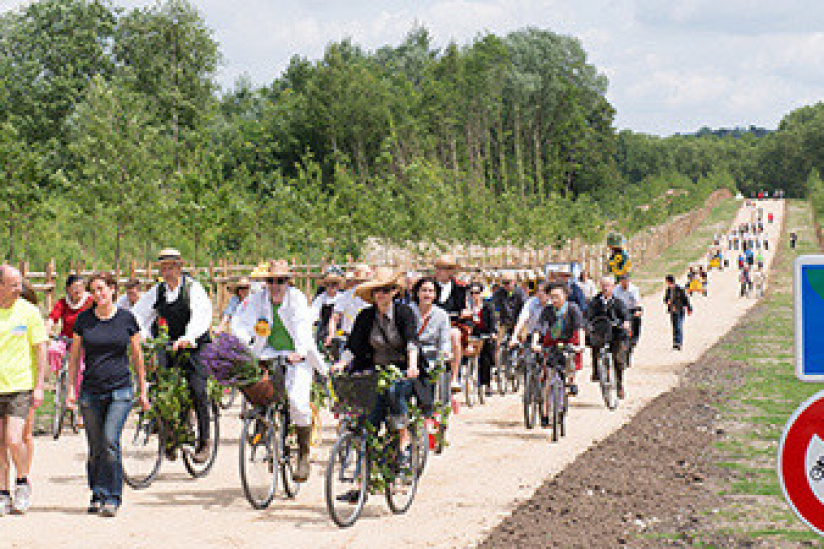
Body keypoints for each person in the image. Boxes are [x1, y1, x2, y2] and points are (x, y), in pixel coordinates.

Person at [231, 260, 326, 482]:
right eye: (271, 281)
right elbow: (240, 323)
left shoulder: (297, 299)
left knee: (297, 401)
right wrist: (245, 343)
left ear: (288, 282)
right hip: (268, 352)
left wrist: (300, 352)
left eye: (281, 281)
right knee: (256, 386)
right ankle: (263, 423)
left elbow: (303, 328)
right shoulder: (257, 299)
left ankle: (303, 453)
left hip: (296, 355)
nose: (276, 286)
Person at [67, 272, 150, 517]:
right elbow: (74, 357)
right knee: (95, 446)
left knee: (110, 441)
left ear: (113, 290)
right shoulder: (84, 320)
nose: (98, 294)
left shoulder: (127, 319)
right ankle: (97, 492)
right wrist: (72, 388)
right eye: (94, 290)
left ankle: (113, 496)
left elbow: (137, 356)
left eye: (102, 289)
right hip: (91, 390)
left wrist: (142, 389)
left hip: (120, 389)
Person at [334, 268, 424, 470]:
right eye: (376, 291)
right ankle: (361, 480)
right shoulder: (365, 316)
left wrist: (411, 366)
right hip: (373, 371)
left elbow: (412, 342)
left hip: (401, 370)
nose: (380, 295)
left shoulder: (404, 312)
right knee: (368, 424)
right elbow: (353, 346)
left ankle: (403, 437)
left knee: (394, 391)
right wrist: (341, 363)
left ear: (394, 292)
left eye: (384, 290)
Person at [131, 249, 213, 464]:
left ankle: (205, 440)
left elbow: (201, 316)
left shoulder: (193, 289)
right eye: (163, 268)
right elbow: (139, 314)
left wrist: (189, 337)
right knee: (161, 387)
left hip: (195, 344)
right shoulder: (158, 292)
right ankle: (170, 435)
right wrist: (144, 338)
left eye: (170, 267)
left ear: (179, 267)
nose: (166, 272)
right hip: (170, 344)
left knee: (197, 388)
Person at [0, 265, 48, 515]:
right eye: (13, 284)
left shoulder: (29, 312)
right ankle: (2, 492)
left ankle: (21, 482)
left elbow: (41, 350)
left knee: (13, 439)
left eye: (19, 284)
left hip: (20, 386)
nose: (19, 288)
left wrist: (39, 385)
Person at [534, 282, 585, 403]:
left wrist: (581, 345)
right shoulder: (547, 310)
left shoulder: (573, 308)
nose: (554, 300)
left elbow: (579, 328)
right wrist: (534, 343)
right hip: (552, 341)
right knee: (547, 369)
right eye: (552, 297)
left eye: (557, 296)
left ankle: (571, 380)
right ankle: (546, 411)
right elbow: (540, 327)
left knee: (570, 360)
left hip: (569, 340)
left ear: (565, 296)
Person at [47, 274, 94, 398]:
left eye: (81, 287)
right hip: (65, 338)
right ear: (68, 289)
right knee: (53, 350)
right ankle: (60, 378)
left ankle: (76, 399)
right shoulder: (63, 302)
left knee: (80, 369)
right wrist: (47, 329)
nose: (78, 290)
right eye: (75, 287)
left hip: (83, 340)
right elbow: (52, 318)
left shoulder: (89, 301)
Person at [586, 276, 631, 399]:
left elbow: (625, 314)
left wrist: (625, 323)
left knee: (618, 359)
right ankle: (596, 371)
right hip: (601, 332)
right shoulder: (595, 302)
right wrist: (588, 325)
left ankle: (619, 384)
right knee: (594, 347)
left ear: (613, 287)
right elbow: (588, 315)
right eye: (603, 285)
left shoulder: (618, 302)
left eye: (608, 286)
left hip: (616, 333)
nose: (605, 288)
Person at [432, 254, 468, 392]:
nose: (443, 272)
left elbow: (463, 307)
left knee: (454, 336)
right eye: (441, 268)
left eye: (448, 269)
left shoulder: (459, 288)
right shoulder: (429, 286)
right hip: (432, 322)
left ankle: (454, 377)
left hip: (453, 323)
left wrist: (464, 312)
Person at [463, 282, 496, 396]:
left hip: (485, 334)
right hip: (473, 334)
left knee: (486, 357)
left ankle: (486, 384)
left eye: (477, 292)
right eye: (472, 293)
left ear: (481, 293)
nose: (474, 295)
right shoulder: (467, 308)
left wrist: (492, 332)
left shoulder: (487, 306)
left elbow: (492, 321)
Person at [327, 264, 372, 348]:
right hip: (367, 337)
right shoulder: (375, 296)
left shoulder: (346, 295)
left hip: (350, 337)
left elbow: (334, 317)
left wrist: (331, 334)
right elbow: (335, 317)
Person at [491, 271, 527, 346]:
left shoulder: (520, 292)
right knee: (497, 343)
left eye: (508, 283)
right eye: (503, 283)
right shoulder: (498, 293)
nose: (505, 285)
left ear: (514, 282)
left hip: (517, 322)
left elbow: (525, 309)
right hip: (504, 322)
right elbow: (493, 308)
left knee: (522, 339)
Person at [613, 275, 642, 365]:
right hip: (620, 311)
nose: (624, 283)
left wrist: (637, 311)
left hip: (631, 310)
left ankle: (632, 346)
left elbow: (637, 301)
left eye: (625, 281)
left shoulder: (633, 289)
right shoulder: (616, 289)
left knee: (634, 332)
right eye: (622, 281)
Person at [511, 282, 551, 346]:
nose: (540, 293)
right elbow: (522, 319)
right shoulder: (531, 302)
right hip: (531, 336)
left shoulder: (552, 304)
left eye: (543, 291)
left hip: (548, 338)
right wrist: (514, 336)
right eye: (538, 291)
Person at [311, 268, 343, 347]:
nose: (330, 287)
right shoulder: (321, 298)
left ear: (338, 286)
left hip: (340, 330)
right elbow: (313, 314)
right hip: (323, 330)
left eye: (334, 284)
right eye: (328, 284)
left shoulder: (342, 298)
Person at [664, 275, 692, 351]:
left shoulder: (679, 289)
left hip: (680, 310)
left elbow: (685, 299)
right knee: (674, 327)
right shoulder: (668, 290)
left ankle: (679, 343)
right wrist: (667, 301)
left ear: (669, 281)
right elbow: (665, 299)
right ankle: (675, 343)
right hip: (672, 311)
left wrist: (689, 308)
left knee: (679, 326)